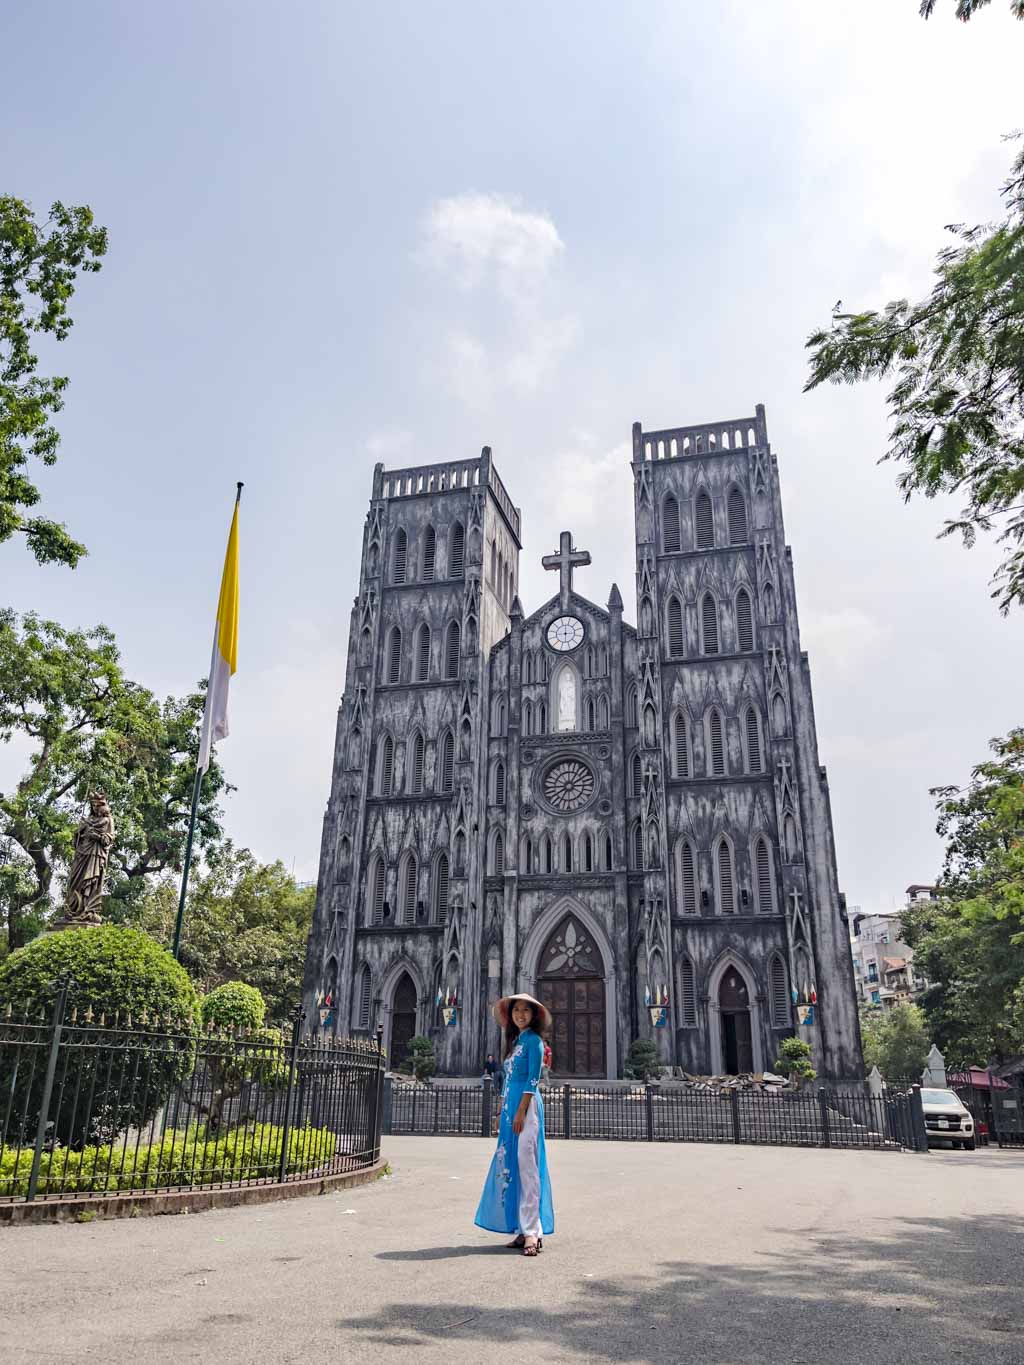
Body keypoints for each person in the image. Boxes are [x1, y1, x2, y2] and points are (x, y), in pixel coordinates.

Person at [474, 993, 555, 1257]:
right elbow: (508, 1081)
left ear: (534, 1015)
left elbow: (533, 1079)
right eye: (516, 1010)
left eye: (525, 1010)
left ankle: (532, 1232)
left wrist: (521, 1111)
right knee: (513, 1166)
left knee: (527, 1165)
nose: (520, 1014)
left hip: (527, 1108)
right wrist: (502, 1111)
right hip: (511, 1108)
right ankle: (521, 1228)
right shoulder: (516, 1042)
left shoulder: (534, 1042)